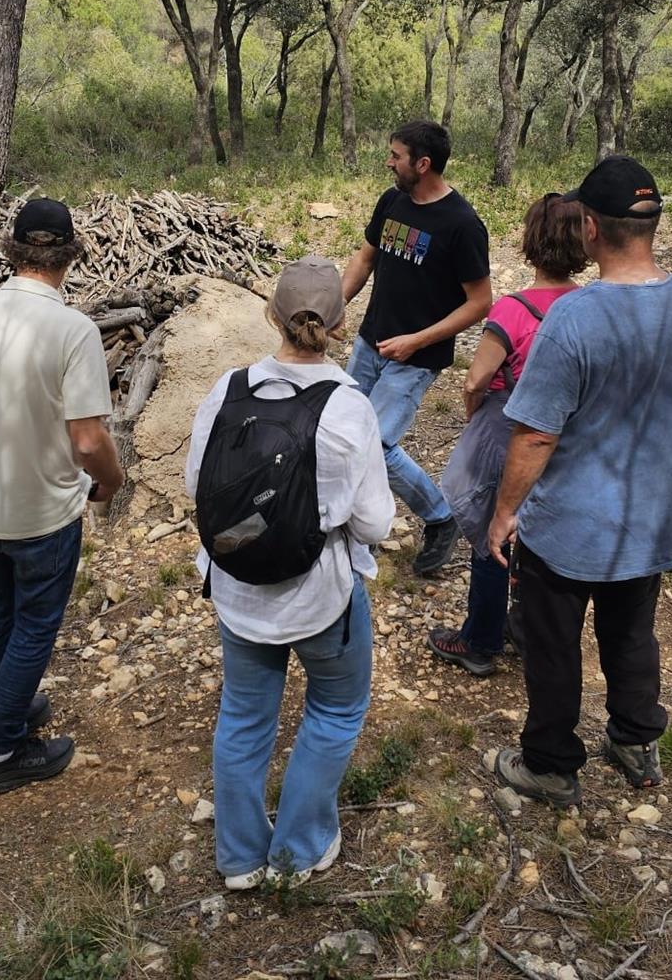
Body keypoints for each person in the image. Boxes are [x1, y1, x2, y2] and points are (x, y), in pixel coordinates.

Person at [483, 157, 672, 807]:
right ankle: (637, 741)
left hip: (572, 527)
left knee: (552, 646)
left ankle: (551, 764)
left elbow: (534, 434)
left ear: (589, 228)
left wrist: (504, 513)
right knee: (632, 633)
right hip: (651, 515)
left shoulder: (575, 320)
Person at [186, 258, 394, 890]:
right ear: (337, 325)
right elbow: (375, 524)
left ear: (271, 315)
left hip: (239, 591)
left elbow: (198, 486)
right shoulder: (348, 407)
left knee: (245, 717)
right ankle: (300, 848)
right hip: (320, 597)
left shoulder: (227, 390)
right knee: (334, 710)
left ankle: (241, 858)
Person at [0, 198, 124, 794]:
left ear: (14, 249)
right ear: (69, 253)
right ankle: (3, 751)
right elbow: (88, 436)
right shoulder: (73, 329)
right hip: (44, 509)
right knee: (35, 625)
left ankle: (4, 707)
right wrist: (112, 481)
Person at [428, 194, 588, 677]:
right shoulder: (588, 306)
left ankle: (479, 640)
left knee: (491, 534)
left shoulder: (513, 312)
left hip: (511, 429)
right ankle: (527, 629)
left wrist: (474, 413)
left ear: (531, 244)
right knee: (538, 537)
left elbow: (476, 380)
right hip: (569, 434)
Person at [341, 120, 492, 576]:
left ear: (423, 164)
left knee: (377, 445)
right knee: (345, 431)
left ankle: (440, 519)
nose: (389, 162)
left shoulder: (462, 225)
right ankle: (348, 520)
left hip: (416, 357)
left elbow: (480, 302)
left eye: (396, 155)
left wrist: (417, 341)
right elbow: (366, 257)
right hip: (371, 342)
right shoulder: (392, 201)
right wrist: (332, 307)